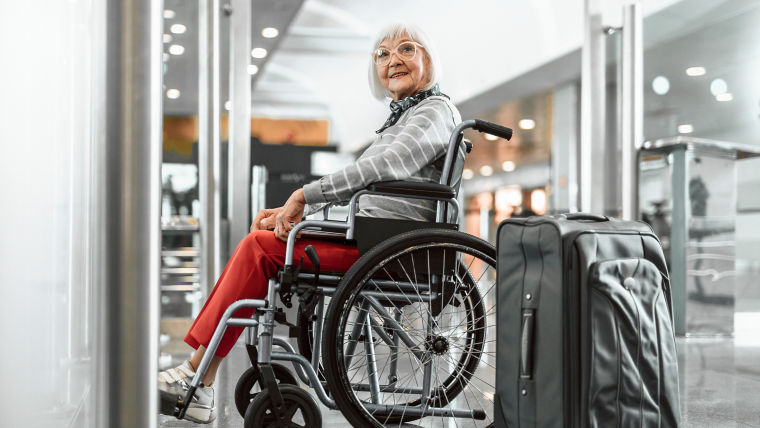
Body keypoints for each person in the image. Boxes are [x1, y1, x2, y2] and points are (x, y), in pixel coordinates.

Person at [158, 21, 463, 424]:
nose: (393, 61)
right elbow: (369, 194)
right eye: (383, 54)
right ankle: (200, 372)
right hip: (377, 238)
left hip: (392, 249)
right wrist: (292, 213)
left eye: (406, 49)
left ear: (429, 58)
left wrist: (304, 197)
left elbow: (379, 169)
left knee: (258, 250)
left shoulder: (433, 111)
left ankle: (198, 377)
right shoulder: (407, 117)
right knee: (265, 239)